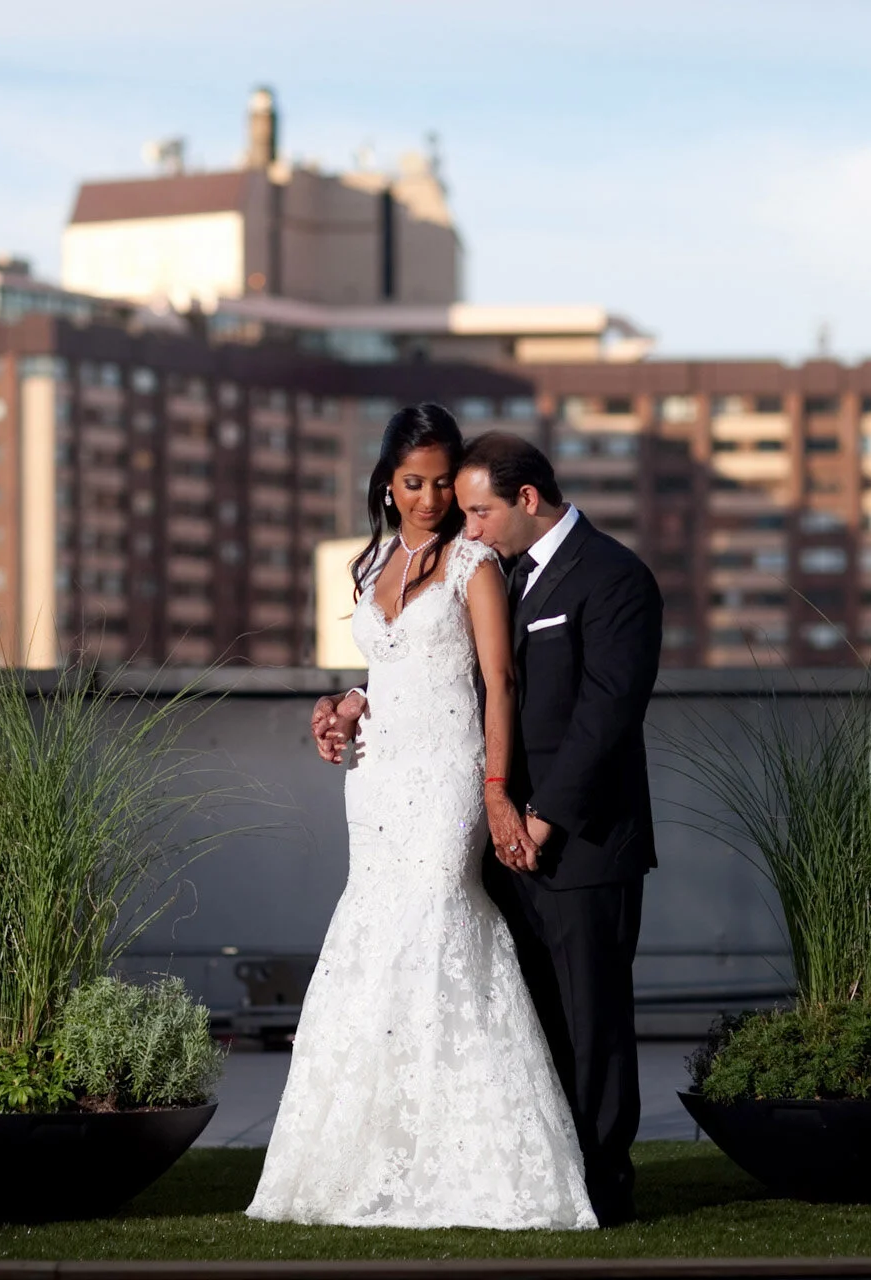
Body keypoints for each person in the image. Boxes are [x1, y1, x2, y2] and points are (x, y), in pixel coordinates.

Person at [246, 404, 596, 1231]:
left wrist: (497, 788)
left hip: (449, 774)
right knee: (373, 932)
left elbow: (496, 685)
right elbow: (389, 669)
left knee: (440, 916)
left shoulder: (476, 563)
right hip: (375, 779)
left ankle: (480, 1158)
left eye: (444, 482)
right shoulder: (372, 563)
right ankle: (367, 1148)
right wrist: (344, 702)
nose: (431, 498)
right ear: (387, 483)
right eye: (414, 483)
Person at [311, 431, 664, 1227]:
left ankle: (604, 1188)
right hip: (496, 828)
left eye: (475, 508)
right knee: (530, 1014)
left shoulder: (615, 578)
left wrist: (538, 815)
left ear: (526, 500)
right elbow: (446, 675)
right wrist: (354, 701)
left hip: (581, 838)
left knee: (593, 1019)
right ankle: (542, 1172)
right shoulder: (504, 572)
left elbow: (605, 718)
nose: (462, 524)